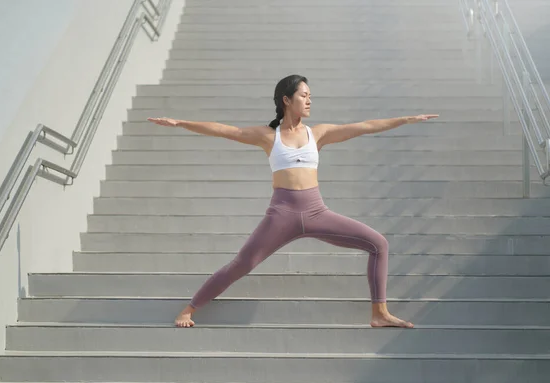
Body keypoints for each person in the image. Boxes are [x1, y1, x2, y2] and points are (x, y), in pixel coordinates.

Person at [148, 74, 438, 328]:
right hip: (282, 214)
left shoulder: (319, 133)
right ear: (287, 100)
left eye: (311, 96)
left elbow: (365, 125)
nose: (310, 101)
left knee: (379, 244)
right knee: (243, 263)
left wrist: (406, 119)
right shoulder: (268, 136)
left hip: (317, 212)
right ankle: (190, 308)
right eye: (304, 95)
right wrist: (182, 123)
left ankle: (380, 313)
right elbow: (226, 130)